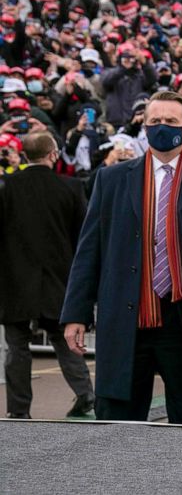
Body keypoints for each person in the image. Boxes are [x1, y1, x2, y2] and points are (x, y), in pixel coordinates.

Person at [61, 91, 182, 424]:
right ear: (144, 125)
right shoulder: (111, 179)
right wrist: (75, 313)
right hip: (128, 318)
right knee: (115, 426)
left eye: (170, 121)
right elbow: (89, 251)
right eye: (155, 122)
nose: (162, 127)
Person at [0, 132, 94, 419]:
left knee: (16, 347)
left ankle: (19, 410)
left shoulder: (7, 187)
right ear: (53, 153)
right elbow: (83, 235)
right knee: (64, 340)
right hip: (59, 276)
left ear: (25, 155)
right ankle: (85, 394)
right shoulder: (71, 187)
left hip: (15, 278)